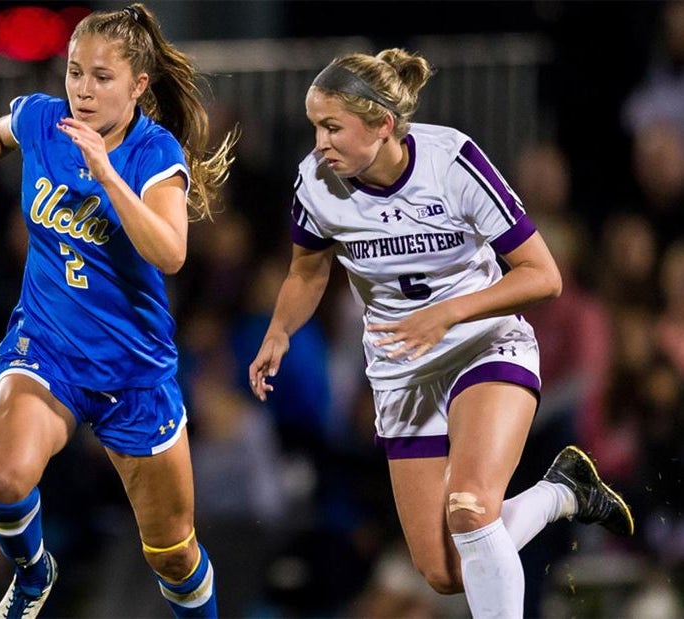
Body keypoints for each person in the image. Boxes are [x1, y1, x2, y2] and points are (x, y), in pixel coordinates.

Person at [247, 48, 634, 617]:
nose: (319, 143)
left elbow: (543, 276)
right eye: (315, 127)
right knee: (445, 572)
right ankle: (562, 493)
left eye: (332, 127)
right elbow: (307, 270)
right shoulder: (316, 183)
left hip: (486, 348)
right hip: (400, 371)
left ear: (382, 125)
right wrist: (280, 330)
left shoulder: (450, 160)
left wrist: (450, 313)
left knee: (472, 508)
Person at [0, 4, 234, 617]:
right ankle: (32, 574)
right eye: (76, 71)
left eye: (102, 77)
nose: (82, 88)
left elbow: (172, 252)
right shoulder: (45, 121)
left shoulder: (154, 155)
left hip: (133, 374)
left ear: (138, 86)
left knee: (174, 557)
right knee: (1, 481)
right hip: (48, 350)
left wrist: (105, 173)